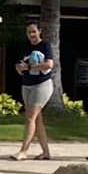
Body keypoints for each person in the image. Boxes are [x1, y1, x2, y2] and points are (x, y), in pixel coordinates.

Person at [11, 19, 55, 161]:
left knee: (30, 116)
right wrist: (20, 68)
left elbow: (49, 64)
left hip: (42, 84)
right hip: (27, 84)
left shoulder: (45, 45)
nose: (31, 34)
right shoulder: (25, 47)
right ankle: (46, 152)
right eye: (29, 32)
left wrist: (30, 67)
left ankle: (24, 150)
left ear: (40, 31)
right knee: (37, 119)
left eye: (34, 31)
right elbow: (22, 65)